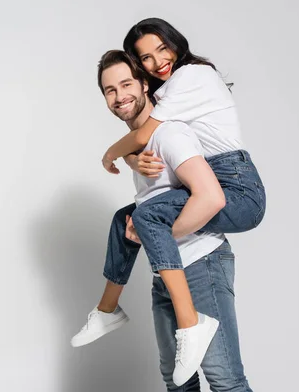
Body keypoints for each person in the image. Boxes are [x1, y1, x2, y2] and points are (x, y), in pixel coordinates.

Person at [77, 50, 253, 389]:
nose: (119, 96)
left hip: (201, 264)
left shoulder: (170, 133)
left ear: (145, 85)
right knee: (178, 383)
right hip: (166, 273)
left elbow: (211, 197)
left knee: (225, 380)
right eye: (110, 90)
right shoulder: (140, 146)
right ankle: (106, 310)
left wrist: (154, 233)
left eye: (126, 84)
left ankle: (111, 311)